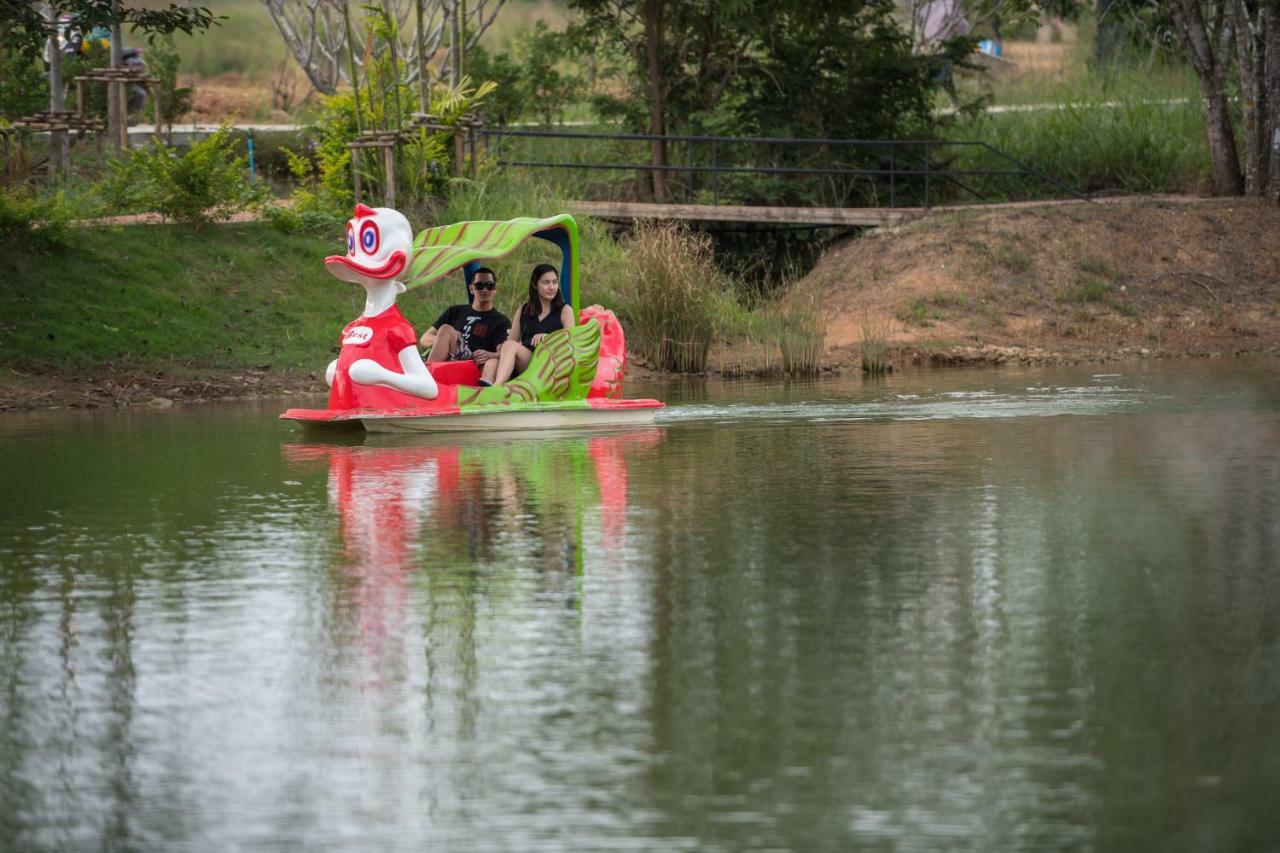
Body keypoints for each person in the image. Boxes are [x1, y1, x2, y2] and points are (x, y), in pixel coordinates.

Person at [420, 267, 511, 386]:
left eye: (489, 285)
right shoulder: (455, 311)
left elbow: (503, 352)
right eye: (479, 285)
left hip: (475, 362)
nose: (484, 289)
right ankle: (427, 377)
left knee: (446, 330)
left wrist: (489, 354)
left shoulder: (501, 321)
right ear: (471, 288)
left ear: (495, 289)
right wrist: (445, 340)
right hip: (452, 355)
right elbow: (424, 339)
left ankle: (426, 379)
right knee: (446, 329)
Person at [493, 264, 576, 386]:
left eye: (554, 282)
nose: (551, 287)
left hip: (550, 364)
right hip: (527, 361)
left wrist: (549, 338)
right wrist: (491, 355)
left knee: (510, 346)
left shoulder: (565, 310)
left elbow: (571, 343)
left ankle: (497, 387)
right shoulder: (524, 309)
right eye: (546, 282)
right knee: (491, 362)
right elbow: (510, 342)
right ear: (534, 284)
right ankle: (486, 395)